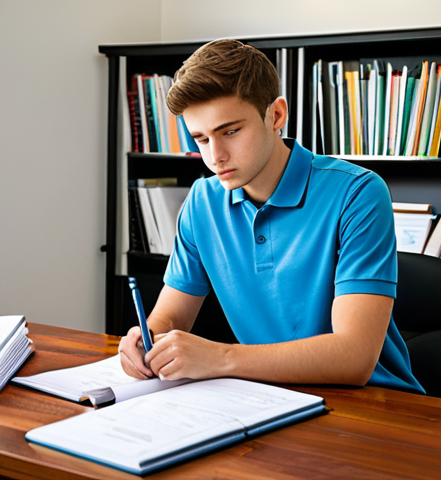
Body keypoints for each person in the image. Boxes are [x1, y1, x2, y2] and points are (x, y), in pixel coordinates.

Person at [119, 39, 424, 394]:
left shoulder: (358, 193)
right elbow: (171, 317)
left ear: (276, 115)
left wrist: (221, 358)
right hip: (270, 397)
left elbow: (354, 357)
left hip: (374, 405)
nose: (215, 156)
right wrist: (149, 338)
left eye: (230, 131)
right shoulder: (202, 202)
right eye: (200, 139)